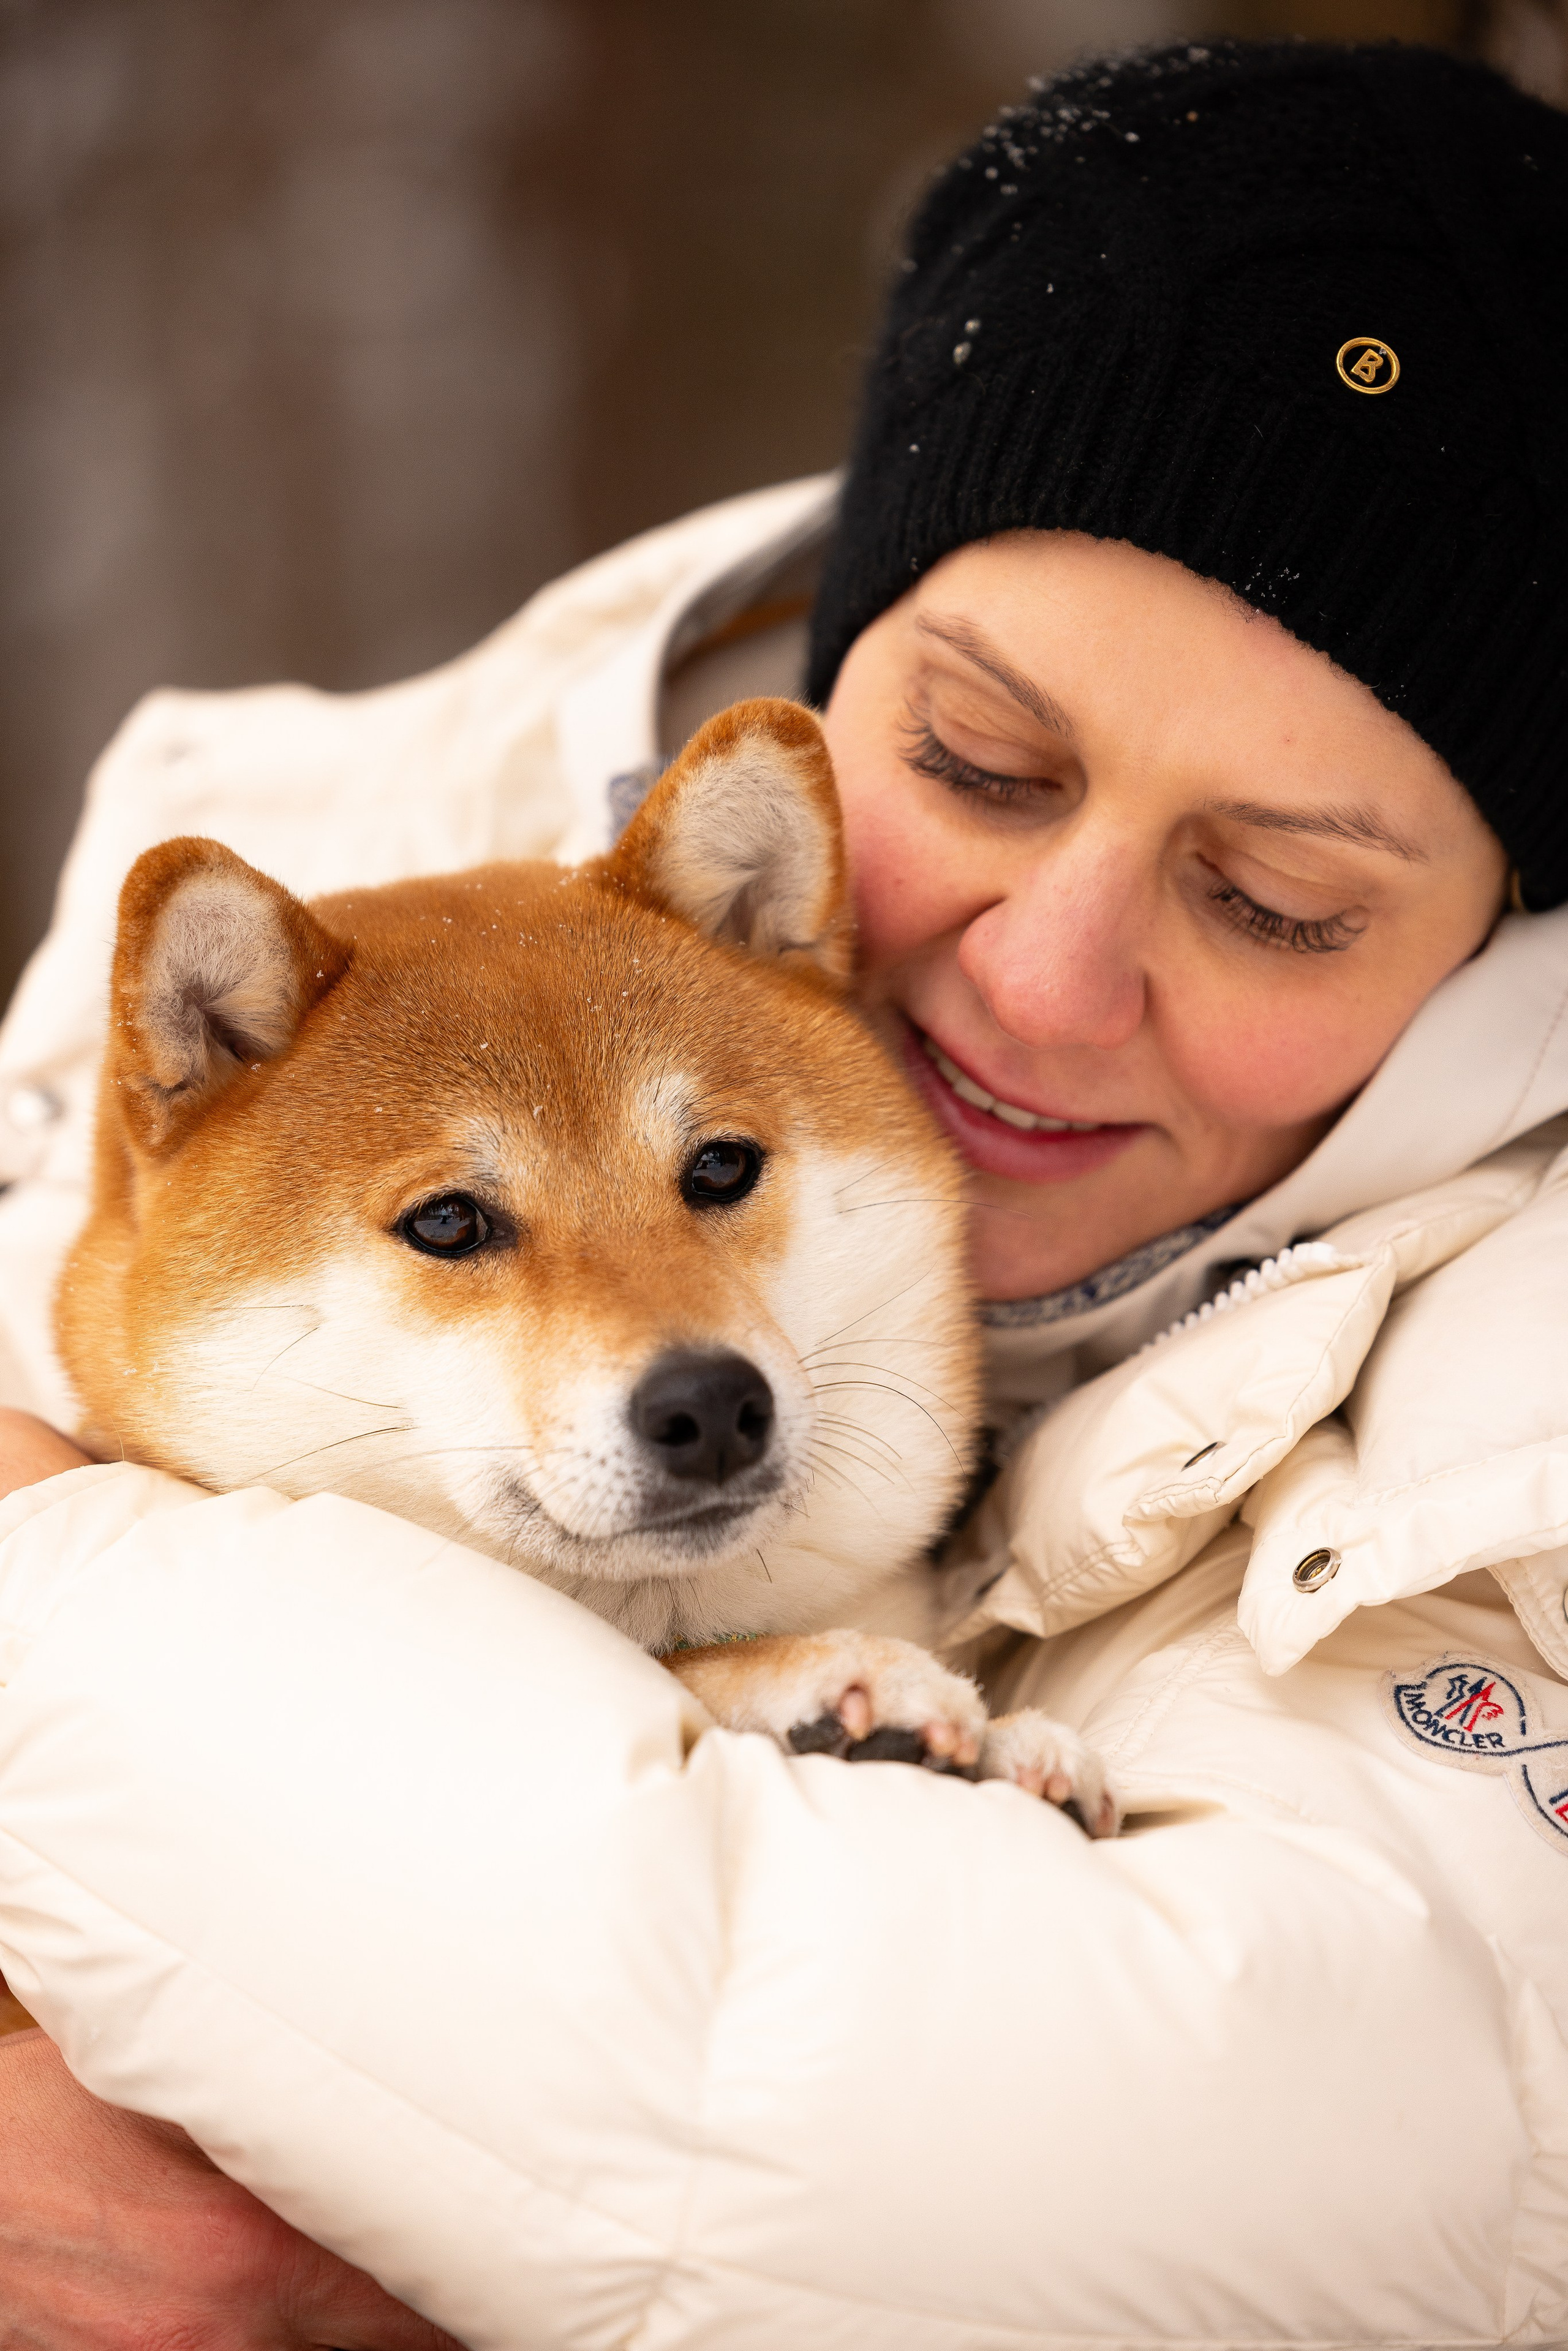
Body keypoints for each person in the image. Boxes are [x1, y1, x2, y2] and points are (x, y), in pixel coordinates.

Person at [1, 36, 1566, 2347]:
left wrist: (35, 1563)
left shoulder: (1515, 1420)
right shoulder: (328, 927)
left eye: (1275, 899)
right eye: (977, 762)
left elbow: (1020, 2164)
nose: (1040, 984)